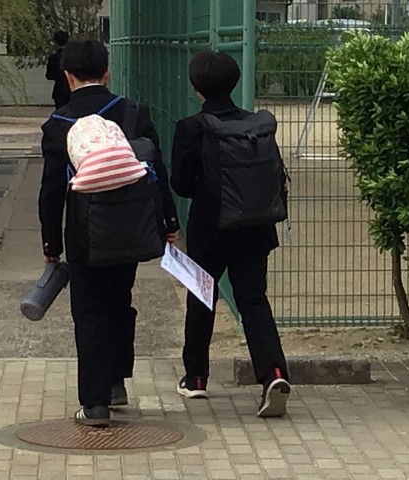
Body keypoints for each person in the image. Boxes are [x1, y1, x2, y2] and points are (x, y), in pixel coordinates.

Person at [38, 40, 180, 426]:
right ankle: (117, 382)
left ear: (67, 77)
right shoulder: (133, 112)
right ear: (107, 72)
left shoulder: (58, 124)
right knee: (120, 301)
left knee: (89, 311)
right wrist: (168, 222)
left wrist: (51, 242)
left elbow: (51, 190)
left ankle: (95, 403)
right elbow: (157, 170)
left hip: (84, 233)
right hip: (132, 227)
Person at [170, 51, 291, 418]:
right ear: (234, 83)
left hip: (210, 229)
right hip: (256, 226)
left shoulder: (191, 127)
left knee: (201, 298)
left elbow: (181, 184)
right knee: (252, 300)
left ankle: (196, 378)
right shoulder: (255, 126)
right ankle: (273, 374)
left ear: (195, 87)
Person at [45, 31, 71, 109]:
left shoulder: (53, 58)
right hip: (71, 88)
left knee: (60, 111)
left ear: (55, 42)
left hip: (59, 88)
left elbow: (49, 75)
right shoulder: (73, 57)